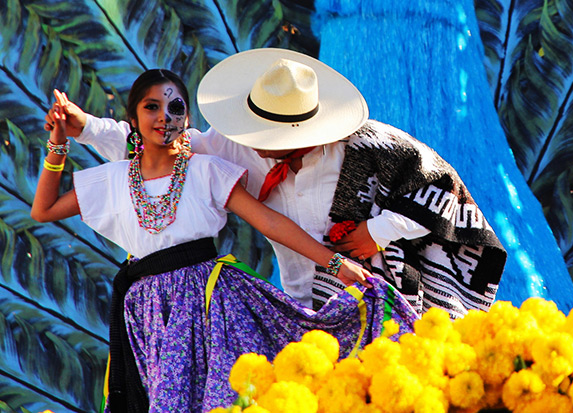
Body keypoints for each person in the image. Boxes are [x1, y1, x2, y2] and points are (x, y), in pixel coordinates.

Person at [33, 69, 417, 413]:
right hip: (148, 312)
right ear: (133, 118)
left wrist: (335, 263)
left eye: (175, 108)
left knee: (228, 399)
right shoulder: (113, 179)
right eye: (152, 107)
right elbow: (43, 210)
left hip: (212, 303)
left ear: (187, 120)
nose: (164, 117)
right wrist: (60, 140)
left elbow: (268, 220)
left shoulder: (206, 168)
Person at [49, 48, 507, 318]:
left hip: (383, 295)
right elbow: (155, 148)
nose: (262, 146)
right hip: (303, 305)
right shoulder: (228, 147)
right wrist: (86, 125)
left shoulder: (372, 146)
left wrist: (378, 232)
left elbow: (443, 192)